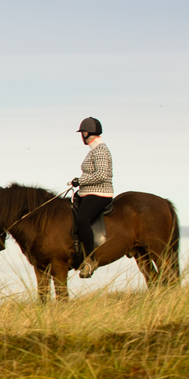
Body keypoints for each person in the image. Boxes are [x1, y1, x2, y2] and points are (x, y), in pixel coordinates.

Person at [70, 117, 113, 277]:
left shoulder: (100, 150)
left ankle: (90, 260)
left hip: (100, 193)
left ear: (87, 133)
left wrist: (80, 181)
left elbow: (101, 175)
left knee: (82, 220)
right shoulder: (94, 150)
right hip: (88, 192)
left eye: (82, 133)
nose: (82, 136)